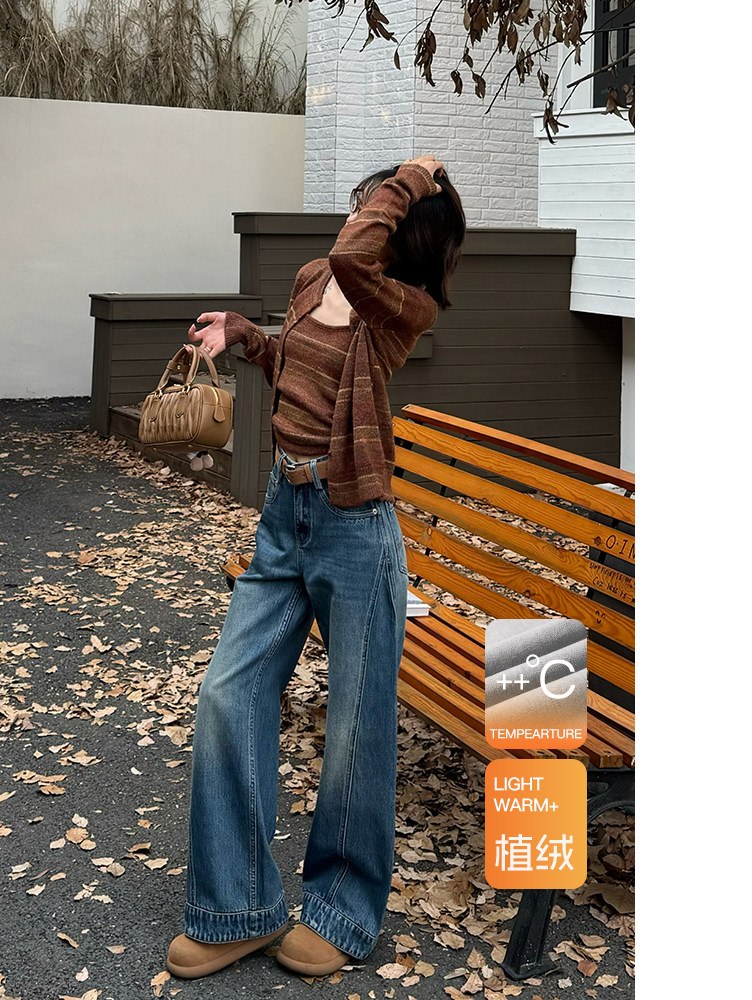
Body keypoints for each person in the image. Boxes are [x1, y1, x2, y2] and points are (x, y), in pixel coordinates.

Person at [166, 155, 467, 980]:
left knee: (355, 731)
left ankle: (341, 908)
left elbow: (351, 256)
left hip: (355, 530)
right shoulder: (313, 280)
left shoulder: (400, 305)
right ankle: (237, 908)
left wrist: (415, 176)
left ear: (400, 222)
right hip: (284, 516)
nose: (359, 208)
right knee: (228, 694)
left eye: (374, 202)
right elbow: (294, 366)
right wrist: (247, 336)